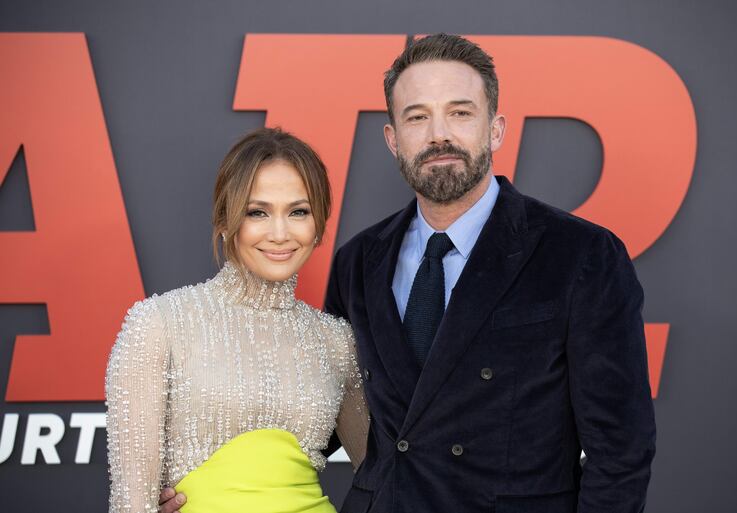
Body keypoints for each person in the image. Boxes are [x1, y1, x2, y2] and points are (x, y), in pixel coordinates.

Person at [161, 33, 656, 513]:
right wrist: (199, 481)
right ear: (393, 139)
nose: (439, 134)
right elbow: (321, 414)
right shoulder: (360, 261)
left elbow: (621, 451)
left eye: (460, 113)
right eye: (417, 117)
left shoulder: (580, 255)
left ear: (496, 129)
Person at [105, 127, 369, 513]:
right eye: (257, 212)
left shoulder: (335, 341)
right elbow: (130, 504)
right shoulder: (159, 325)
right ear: (226, 220)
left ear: (319, 225)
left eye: (298, 212)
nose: (279, 233)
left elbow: (383, 476)